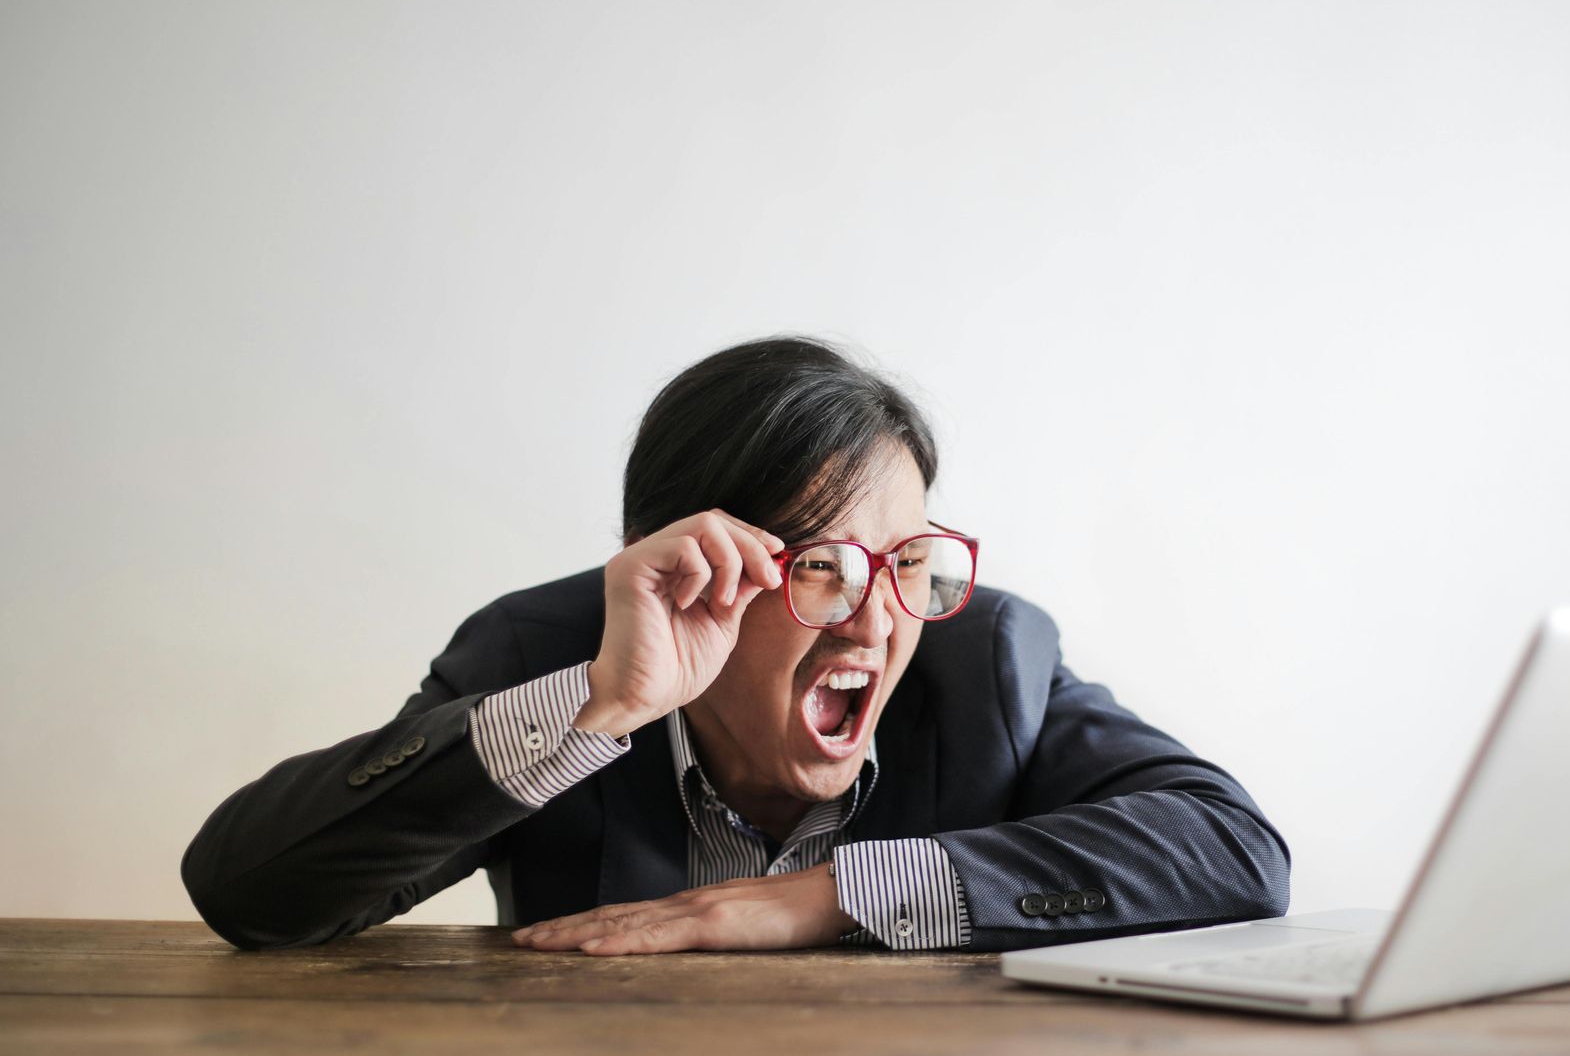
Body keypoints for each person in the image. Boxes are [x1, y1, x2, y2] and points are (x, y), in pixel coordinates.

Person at [181, 337, 1292, 954]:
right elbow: (248, 890)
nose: (874, 619)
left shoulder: (986, 655)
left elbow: (1233, 849)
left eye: (907, 560)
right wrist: (597, 710)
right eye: (819, 564)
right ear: (678, 562)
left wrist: (821, 896)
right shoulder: (546, 650)